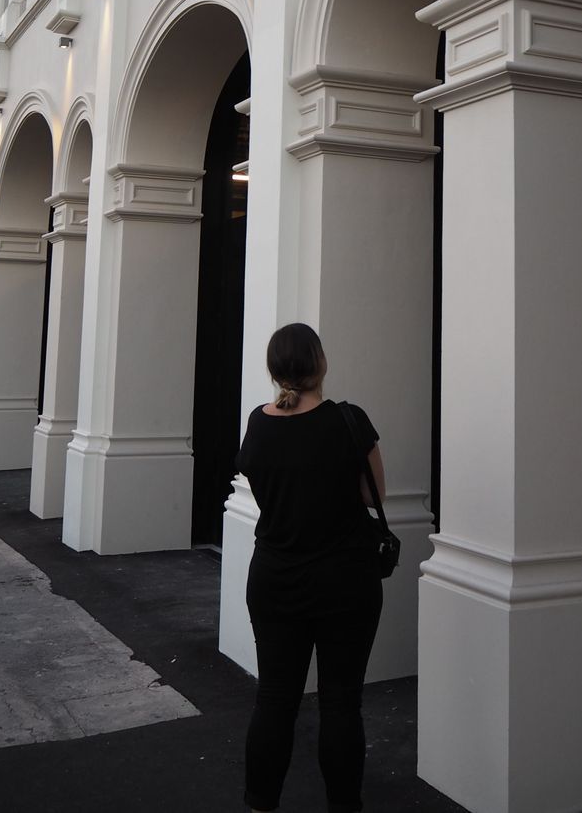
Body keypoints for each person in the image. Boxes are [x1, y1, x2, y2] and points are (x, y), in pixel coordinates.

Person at [237, 322, 386, 813]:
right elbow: (374, 496)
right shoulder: (349, 420)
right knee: (341, 701)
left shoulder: (258, 423)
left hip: (276, 578)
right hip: (346, 580)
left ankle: (260, 805)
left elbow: (265, 489)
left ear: (274, 369)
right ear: (320, 363)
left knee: (275, 699)